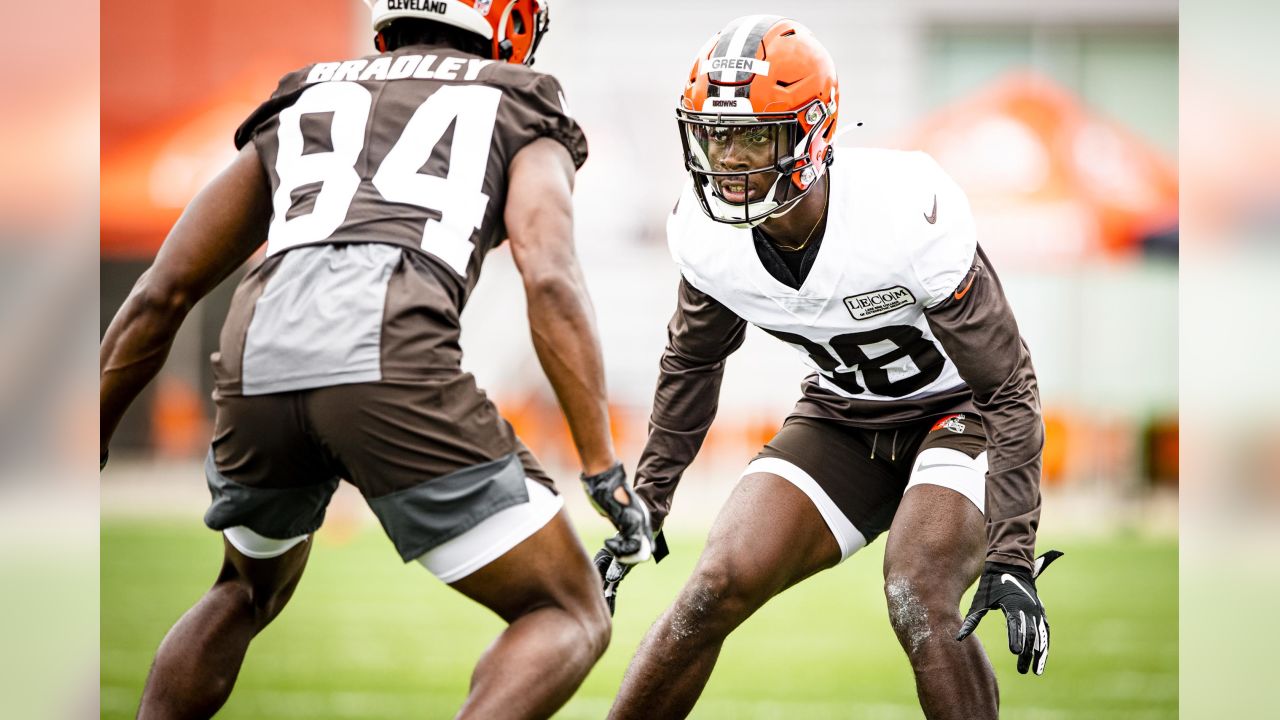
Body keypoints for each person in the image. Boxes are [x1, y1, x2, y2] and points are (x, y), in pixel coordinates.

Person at [99, 1, 652, 718]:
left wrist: (91, 437)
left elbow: (160, 292)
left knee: (242, 588)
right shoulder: (518, 97)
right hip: (389, 343)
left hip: (255, 345)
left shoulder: (307, 93)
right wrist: (602, 463)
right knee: (569, 611)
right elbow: (548, 274)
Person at [595, 15, 1061, 720]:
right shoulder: (705, 234)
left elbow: (1008, 386)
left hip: (961, 414)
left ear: (812, 133)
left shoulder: (904, 210)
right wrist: (648, 502)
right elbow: (692, 365)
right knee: (714, 584)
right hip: (843, 415)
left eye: (754, 134)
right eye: (717, 135)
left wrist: (1012, 554)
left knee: (918, 587)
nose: (730, 159)